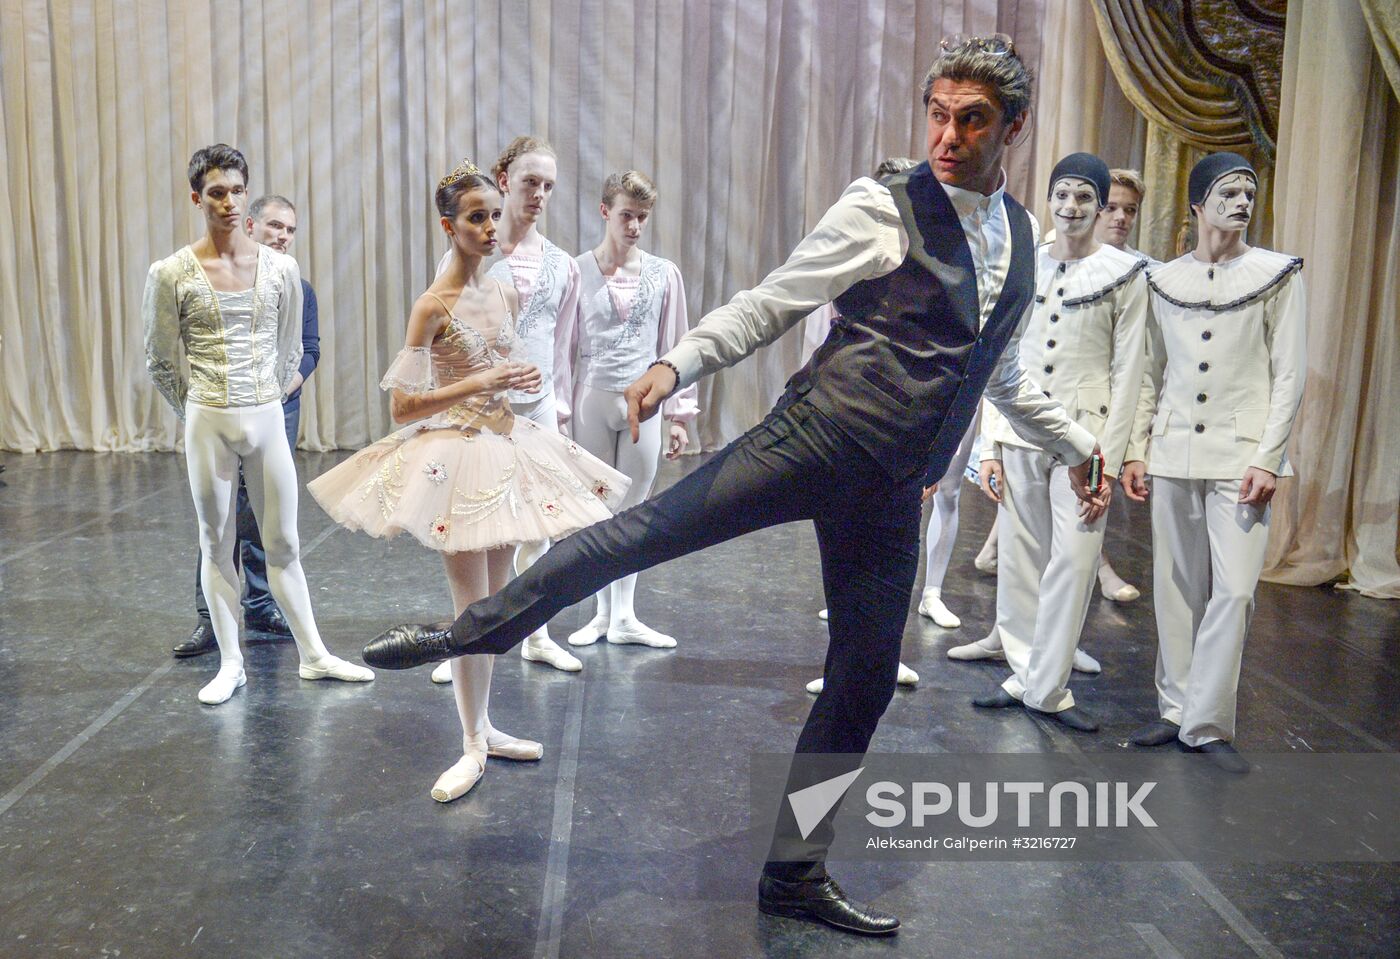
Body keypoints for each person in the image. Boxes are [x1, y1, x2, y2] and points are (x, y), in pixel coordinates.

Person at [364, 37, 1104, 936]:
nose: (946, 135)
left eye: (971, 119)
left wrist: (1075, 445)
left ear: (1014, 128)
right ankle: (465, 632)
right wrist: (678, 363)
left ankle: (793, 876)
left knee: (864, 682)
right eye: (937, 113)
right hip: (816, 436)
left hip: (892, 484)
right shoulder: (883, 203)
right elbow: (772, 300)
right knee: (646, 532)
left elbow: (1004, 371)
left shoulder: (1022, 238)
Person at [307, 160, 629, 800]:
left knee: (498, 606)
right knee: (470, 612)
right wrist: (482, 383)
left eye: (492, 215)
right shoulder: (433, 306)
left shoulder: (504, 292)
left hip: (506, 449)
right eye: (476, 218)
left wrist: (516, 383)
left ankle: (485, 727)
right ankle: (470, 743)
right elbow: (402, 407)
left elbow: (503, 366)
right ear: (448, 225)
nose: (489, 227)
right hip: (453, 457)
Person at [144, 144, 374, 704]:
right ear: (198, 198)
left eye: (236, 190)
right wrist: (199, 407)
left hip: (266, 417)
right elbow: (159, 358)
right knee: (216, 543)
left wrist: (262, 398)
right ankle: (231, 663)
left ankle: (314, 655)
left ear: (247, 193)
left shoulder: (281, 268)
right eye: (216, 192)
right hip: (208, 418)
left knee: (284, 542)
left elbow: (293, 347)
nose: (228, 202)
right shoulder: (171, 272)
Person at [1122, 152, 1305, 774]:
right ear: (1198, 203)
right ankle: (1175, 708)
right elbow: (1147, 372)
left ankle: (1206, 722)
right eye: (1228, 191)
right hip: (1174, 451)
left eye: (1249, 192)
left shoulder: (1276, 274)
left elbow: (1290, 374)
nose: (1242, 201)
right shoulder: (1163, 279)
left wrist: (1270, 458)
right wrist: (1137, 448)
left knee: (1234, 591)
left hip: (1241, 458)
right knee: (1175, 586)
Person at [965, 153, 1148, 732]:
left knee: (1072, 561)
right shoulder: (1026, 262)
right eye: (1062, 195)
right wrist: (991, 443)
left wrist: (1109, 461)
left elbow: (1130, 374)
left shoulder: (1125, 274)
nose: (1071, 207)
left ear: (1098, 206)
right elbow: (998, 357)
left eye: (1084, 198)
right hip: (1020, 431)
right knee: (1020, 558)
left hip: (1084, 439)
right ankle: (1021, 674)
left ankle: (1048, 687)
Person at [429, 136, 585, 678]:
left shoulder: (563, 264)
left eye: (548, 186)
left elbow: (565, 343)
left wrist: (560, 408)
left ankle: (534, 633)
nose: (539, 194)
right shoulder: (473, 254)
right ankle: (466, 639)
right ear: (504, 179)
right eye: (529, 183)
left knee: (535, 530)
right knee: (474, 530)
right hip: (479, 412)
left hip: (538, 407)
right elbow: (440, 346)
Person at [174, 194, 320, 657]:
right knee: (220, 522)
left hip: (276, 407)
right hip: (225, 409)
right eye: (275, 225)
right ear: (252, 226)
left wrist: (275, 394)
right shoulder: (217, 279)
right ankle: (211, 620)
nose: (283, 235)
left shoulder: (295, 282)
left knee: (267, 520)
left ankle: (261, 604)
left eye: (291, 229)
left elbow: (307, 347)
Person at [562, 170, 697, 650]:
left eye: (642, 217)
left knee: (635, 510)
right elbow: (565, 347)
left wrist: (680, 413)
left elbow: (676, 344)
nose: (635, 226)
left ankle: (625, 615)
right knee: (598, 511)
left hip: (646, 400)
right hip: (592, 398)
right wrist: (559, 411)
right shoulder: (576, 271)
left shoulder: (663, 273)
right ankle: (601, 613)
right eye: (626, 215)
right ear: (605, 212)